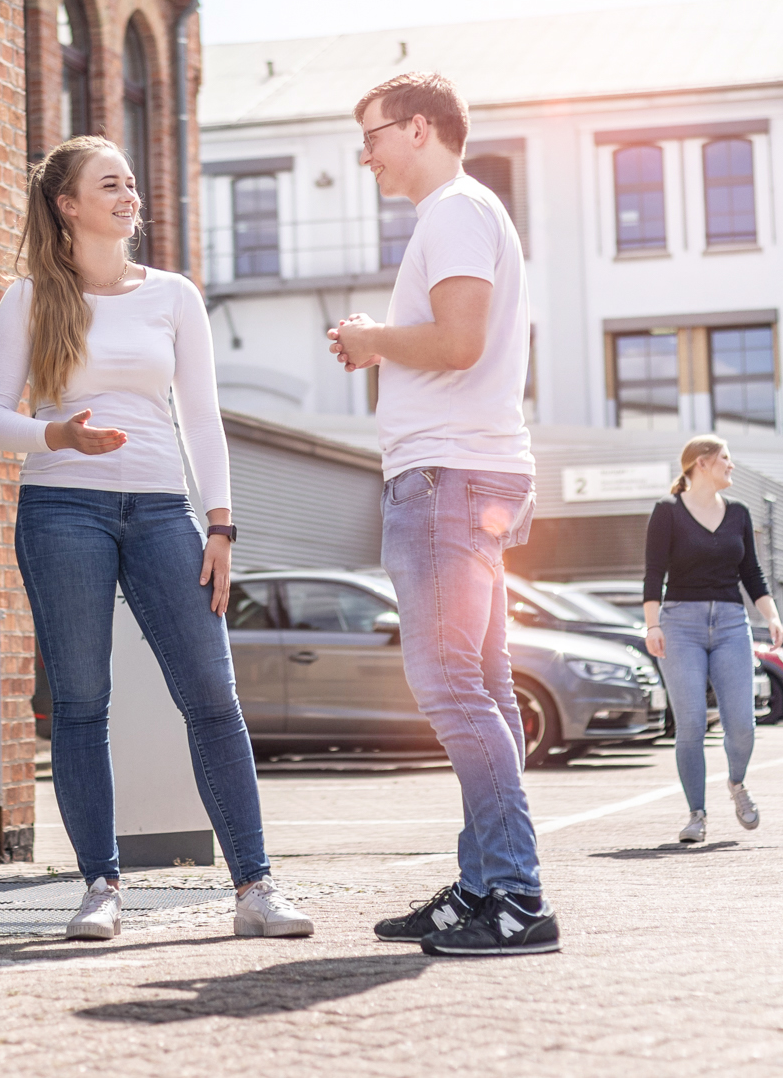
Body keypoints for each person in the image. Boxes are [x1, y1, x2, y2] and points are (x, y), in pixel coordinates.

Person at [0, 135, 312, 942]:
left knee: (212, 697)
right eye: (110, 183)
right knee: (84, 704)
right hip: (62, 511)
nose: (129, 194)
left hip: (164, 510)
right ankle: (100, 884)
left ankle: (255, 886)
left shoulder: (174, 294)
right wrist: (60, 438)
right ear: (68, 204)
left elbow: (202, 416)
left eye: (131, 181)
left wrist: (220, 520)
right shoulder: (29, 297)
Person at [329, 72, 558, 958]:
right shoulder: (466, 213)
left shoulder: (454, 212)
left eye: (374, 134)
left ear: (419, 128)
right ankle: (483, 883)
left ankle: (515, 892)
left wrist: (372, 339)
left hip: (448, 479)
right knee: (484, 687)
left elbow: (459, 343)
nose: (367, 153)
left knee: (450, 685)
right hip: (471, 473)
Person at [641, 435, 783, 844]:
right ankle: (696, 814)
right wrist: (653, 625)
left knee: (741, 724)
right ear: (701, 463)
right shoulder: (667, 513)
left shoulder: (738, 513)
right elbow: (653, 574)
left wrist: (771, 615)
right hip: (679, 625)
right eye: (725, 458)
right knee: (690, 724)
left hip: (729, 624)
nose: (731, 465)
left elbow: (752, 573)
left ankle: (737, 784)